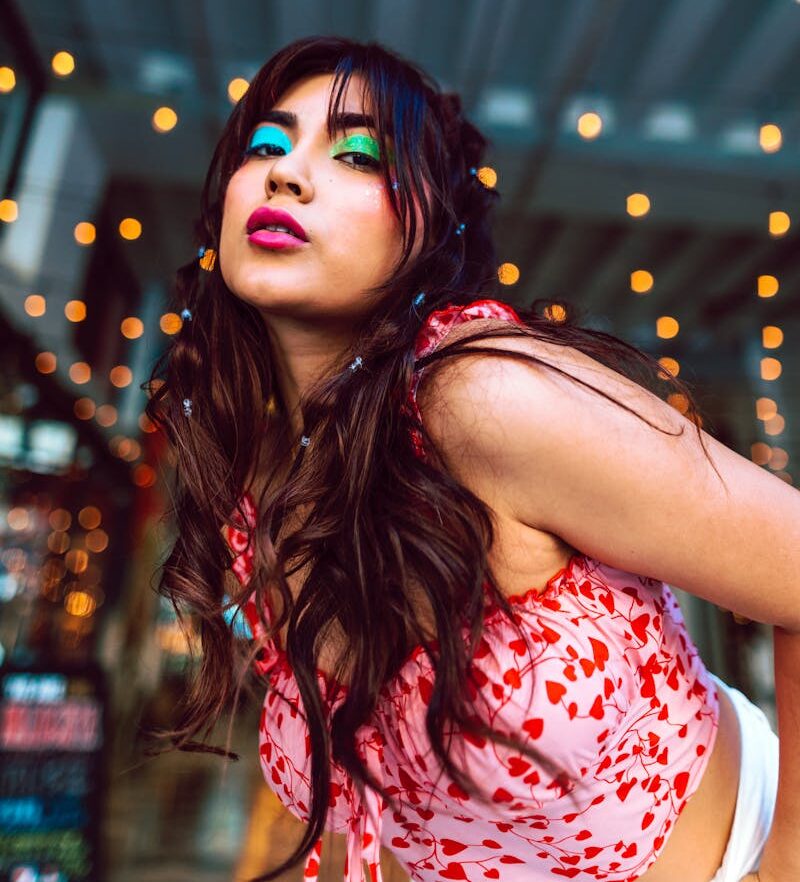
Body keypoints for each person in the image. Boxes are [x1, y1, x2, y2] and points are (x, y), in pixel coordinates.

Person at [145, 35, 796, 882]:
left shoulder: (480, 401)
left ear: (424, 224)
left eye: (354, 155)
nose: (285, 174)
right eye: (266, 146)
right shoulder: (264, 490)